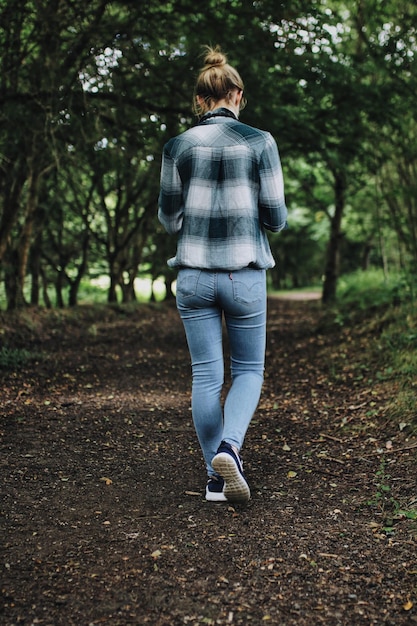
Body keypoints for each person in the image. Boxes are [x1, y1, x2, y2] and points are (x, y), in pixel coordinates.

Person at [158, 45, 287, 504]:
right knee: (249, 369)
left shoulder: (177, 147)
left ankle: (215, 478)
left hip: (193, 276)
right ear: (237, 95)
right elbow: (275, 217)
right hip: (244, 275)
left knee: (205, 377)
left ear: (200, 101)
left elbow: (170, 220)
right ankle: (231, 447)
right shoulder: (260, 142)